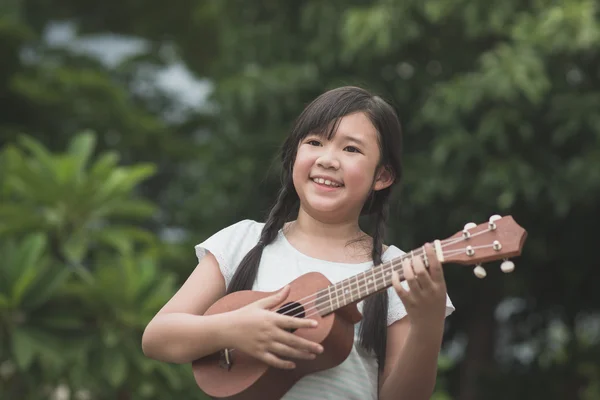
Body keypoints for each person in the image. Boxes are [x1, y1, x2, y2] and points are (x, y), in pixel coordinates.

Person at [142, 86, 455, 400]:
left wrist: (427, 328)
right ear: (294, 156)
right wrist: (233, 329)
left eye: (351, 149)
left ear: (382, 176)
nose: (328, 160)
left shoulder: (399, 271)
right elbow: (158, 337)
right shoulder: (243, 241)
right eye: (315, 142)